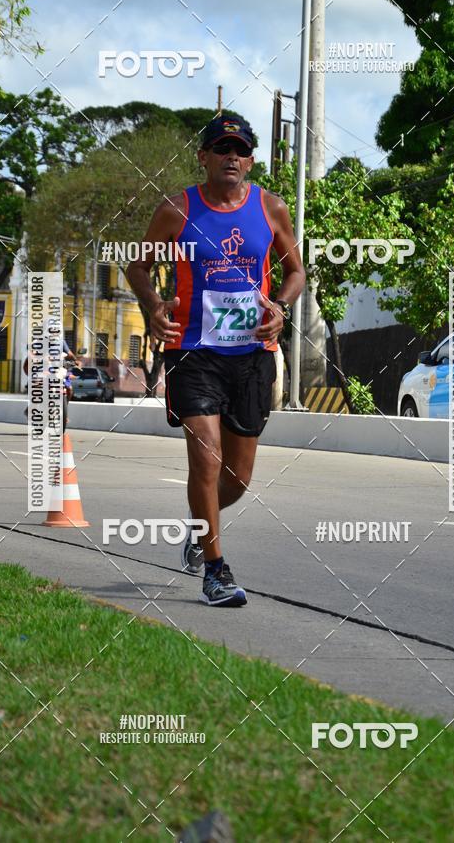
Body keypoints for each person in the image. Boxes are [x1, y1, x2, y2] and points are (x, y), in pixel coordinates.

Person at [127, 114, 305, 607]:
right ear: (203, 156)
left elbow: (296, 272)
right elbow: (138, 266)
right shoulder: (176, 209)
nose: (232, 156)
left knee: (238, 479)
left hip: (251, 356)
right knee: (205, 453)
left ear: (250, 160)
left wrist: (281, 309)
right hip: (192, 351)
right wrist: (153, 304)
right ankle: (215, 568)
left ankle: (201, 528)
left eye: (240, 149)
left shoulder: (271, 208)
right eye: (221, 148)